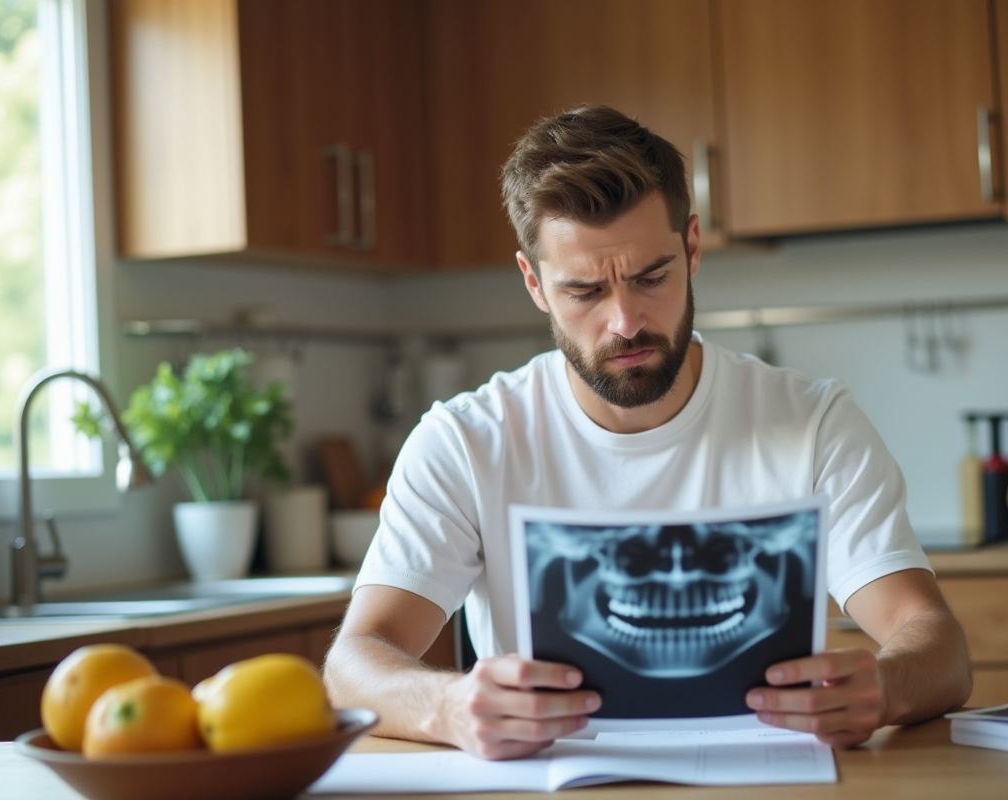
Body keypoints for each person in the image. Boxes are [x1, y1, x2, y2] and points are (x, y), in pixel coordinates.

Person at [324, 105, 972, 761]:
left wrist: (884, 688)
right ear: (534, 283)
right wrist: (447, 707)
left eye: (651, 277)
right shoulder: (465, 441)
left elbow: (937, 643)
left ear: (691, 248)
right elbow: (353, 663)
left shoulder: (813, 422)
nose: (626, 322)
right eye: (584, 291)